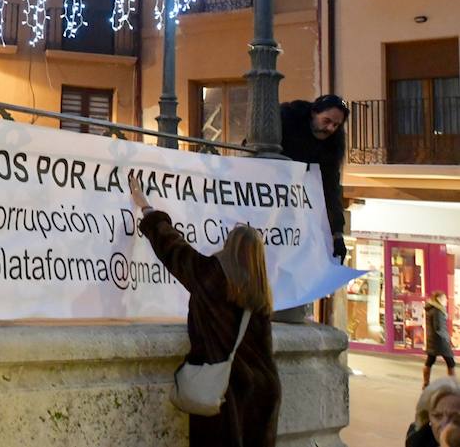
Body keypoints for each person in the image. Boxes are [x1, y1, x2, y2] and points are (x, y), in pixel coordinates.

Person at [129, 172, 280, 447]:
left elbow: (171, 245)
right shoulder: (261, 295)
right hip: (261, 393)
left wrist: (145, 206)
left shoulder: (210, 277)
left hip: (222, 396)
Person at [280, 95, 349, 262]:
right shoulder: (287, 117)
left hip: (296, 200)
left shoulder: (333, 145)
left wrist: (337, 233)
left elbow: (331, 188)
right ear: (313, 113)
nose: (331, 128)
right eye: (327, 121)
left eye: (336, 125)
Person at [410, 379, 460, 447]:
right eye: (437, 416)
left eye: (455, 418)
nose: (444, 424)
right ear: (427, 418)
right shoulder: (418, 439)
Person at [427, 292, 458, 388]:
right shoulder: (438, 311)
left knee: (430, 361)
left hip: (433, 340)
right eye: (444, 298)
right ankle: (452, 384)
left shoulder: (432, 309)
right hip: (440, 341)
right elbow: (439, 328)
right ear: (439, 299)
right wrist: (448, 338)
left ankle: (426, 383)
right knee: (450, 362)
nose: (446, 301)